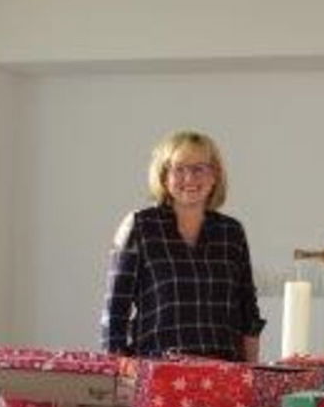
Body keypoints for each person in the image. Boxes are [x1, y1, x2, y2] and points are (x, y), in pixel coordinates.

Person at [101, 130, 264, 361]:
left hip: (223, 371)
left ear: (214, 175)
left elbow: (248, 313)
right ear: (164, 176)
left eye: (199, 169)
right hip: (157, 370)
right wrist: (116, 375)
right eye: (179, 169)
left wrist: (252, 374)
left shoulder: (231, 232)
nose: (189, 178)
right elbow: (115, 314)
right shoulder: (139, 226)